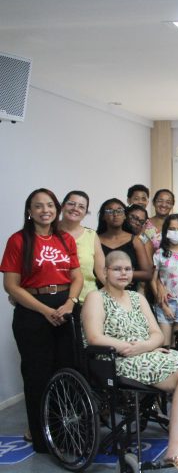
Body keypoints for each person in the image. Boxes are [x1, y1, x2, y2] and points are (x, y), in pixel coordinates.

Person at [82, 251, 178, 472]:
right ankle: (175, 447)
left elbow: (157, 335)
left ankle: (175, 448)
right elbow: (94, 337)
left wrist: (143, 347)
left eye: (127, 269)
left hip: (144, 352)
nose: (123, 273)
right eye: (117, 269)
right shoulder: (95, 298)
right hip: (114, 359)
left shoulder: (138, 298)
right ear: (105, 272)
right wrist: (128, 347)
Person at [1, 188, 83, 453]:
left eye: (49, 205)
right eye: (38, 206)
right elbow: (11, 286)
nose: (45, 210)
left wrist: (70, 302)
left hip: (65, 307)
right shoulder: (18, 240)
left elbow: (77, 276)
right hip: (33, 312)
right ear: (29, 211)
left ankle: (68, 433)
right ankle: (43, 439)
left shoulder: (65, 239)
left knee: (68, 371)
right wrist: (44, 311)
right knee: (38, 375)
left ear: (56, 209)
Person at [152, 214, 178, 347]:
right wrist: (163, 306)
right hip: (165, 303)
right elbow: (153, 280)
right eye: (172, 229)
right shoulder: (159, 253)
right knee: (165, 345)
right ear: (166, 230)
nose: (176, 232)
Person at [97, 199, 153, 291]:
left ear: (124, 216)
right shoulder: (95, 239)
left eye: (119, 211)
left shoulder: (136, 240)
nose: (115, 214)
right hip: (100, 292)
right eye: (110, 211)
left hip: (128, 294)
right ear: (103, 216)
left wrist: (125, 275)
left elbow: (148, 273)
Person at [60, 190, 105, 299]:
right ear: (62, 206)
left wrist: (118, 293)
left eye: (81, 207)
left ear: (85, 213)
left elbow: (101, 272)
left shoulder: (91, 235)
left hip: (86, 299)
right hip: (54, 298)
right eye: (71, 204)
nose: (75, 208)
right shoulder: (47, 231)